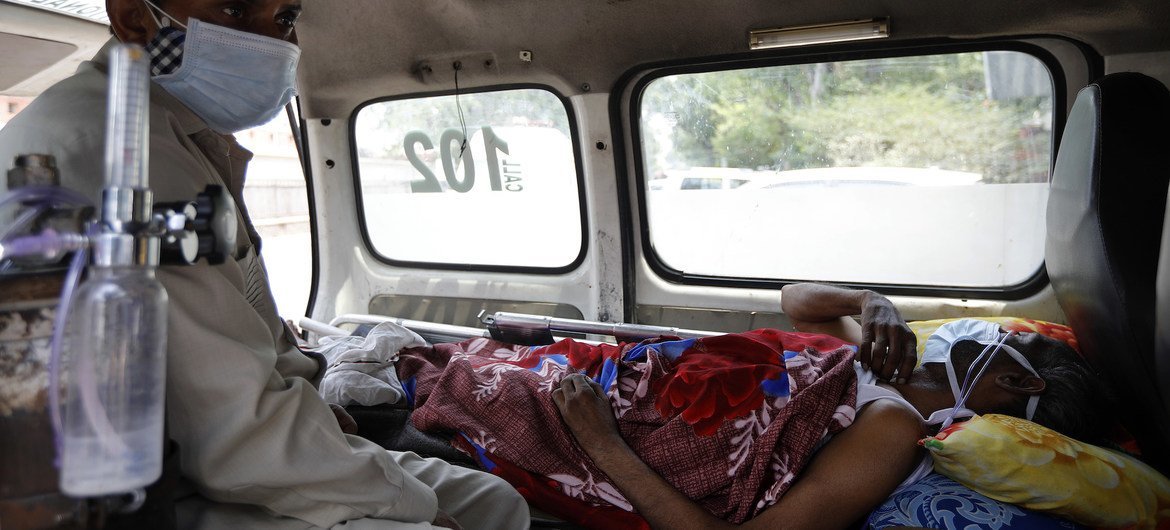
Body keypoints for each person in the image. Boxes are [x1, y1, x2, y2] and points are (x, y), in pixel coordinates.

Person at [0, 1, 529, 529]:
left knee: (496, 503)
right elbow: (231, 436)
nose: (272, 42)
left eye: (284, 18)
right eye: (235, 8)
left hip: (209, 446)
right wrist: (414, 508)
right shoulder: (115, 152)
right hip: (138, 488)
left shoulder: (167, 129)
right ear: (136, 18)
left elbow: (237, 334)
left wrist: (315, 408)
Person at [551, 282, 1112, 529]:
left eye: (1008, 340)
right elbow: (795, 301)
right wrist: (870, 301)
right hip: (637, 373)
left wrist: (602, 443)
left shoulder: (894, 425)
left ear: (1019, 382)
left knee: (482, 385)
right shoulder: (888, 363)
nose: (991, 332)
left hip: (621, 423)